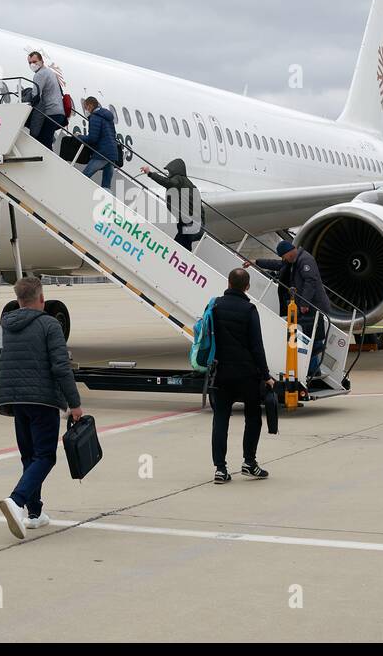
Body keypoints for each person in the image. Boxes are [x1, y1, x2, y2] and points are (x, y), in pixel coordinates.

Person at [0, 276, 84, 539]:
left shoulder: (1, 327)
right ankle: (17, 500)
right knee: (45, 456)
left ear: (18, 300)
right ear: (41, 299)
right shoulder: (49, 325)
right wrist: (74, 404)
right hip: (42, 399)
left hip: (14, 399)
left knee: (29, 456)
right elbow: (60, 366)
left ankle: (34, 513)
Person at [209, 267, 273, 483]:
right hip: (246, 374)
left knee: (220, 420)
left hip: (221, 373)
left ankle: (220, 469)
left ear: (228, 283)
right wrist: (266, 375)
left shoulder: (215, 306)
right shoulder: (249, 310)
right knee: (253, 418)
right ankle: (249, 462)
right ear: (247, 287)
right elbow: (257, 347)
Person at [250, 239, 331, 377]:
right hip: (306, 307)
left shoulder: (305, 260)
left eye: (284, 256)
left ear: (289, 252)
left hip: (313, 307)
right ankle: (312, 369)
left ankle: (312, 370)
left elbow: (310, 282)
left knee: (311, 339)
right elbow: (278, 265)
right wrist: (257, 262)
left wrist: (304, 303)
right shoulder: (294, 260)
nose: (283, 259)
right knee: (308, 338)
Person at [140, 157, 205, 251]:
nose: (169, 174)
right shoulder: (188, 183)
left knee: (178, 245)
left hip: (189, 221)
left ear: (175, 171)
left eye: (170, 172)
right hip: (192, 221)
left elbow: (168, 183)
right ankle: (181, 262)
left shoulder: (178, 179)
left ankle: (176, 261)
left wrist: (150, 174)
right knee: (183, 244)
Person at [26, 51, 67, 151]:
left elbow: (36, 96)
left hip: (50, 113)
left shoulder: (40, 74)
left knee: (43, 142)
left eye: (35, 61)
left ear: (42, 61)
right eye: (30, 62)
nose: (32, 64)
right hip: (59, 113)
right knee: (46, 140)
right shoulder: (50, 72)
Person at [76, 95, 118, 189]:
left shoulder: (95, 117)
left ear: (90, 106)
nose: (86, 109)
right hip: (112, 153)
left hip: (102, 153)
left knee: (83, 176)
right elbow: (113, 134)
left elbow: (92, 139)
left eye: (85, 107)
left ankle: (75, 196)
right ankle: (106, 203)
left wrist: (79, 136)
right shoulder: (107, 117)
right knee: (106, 185)